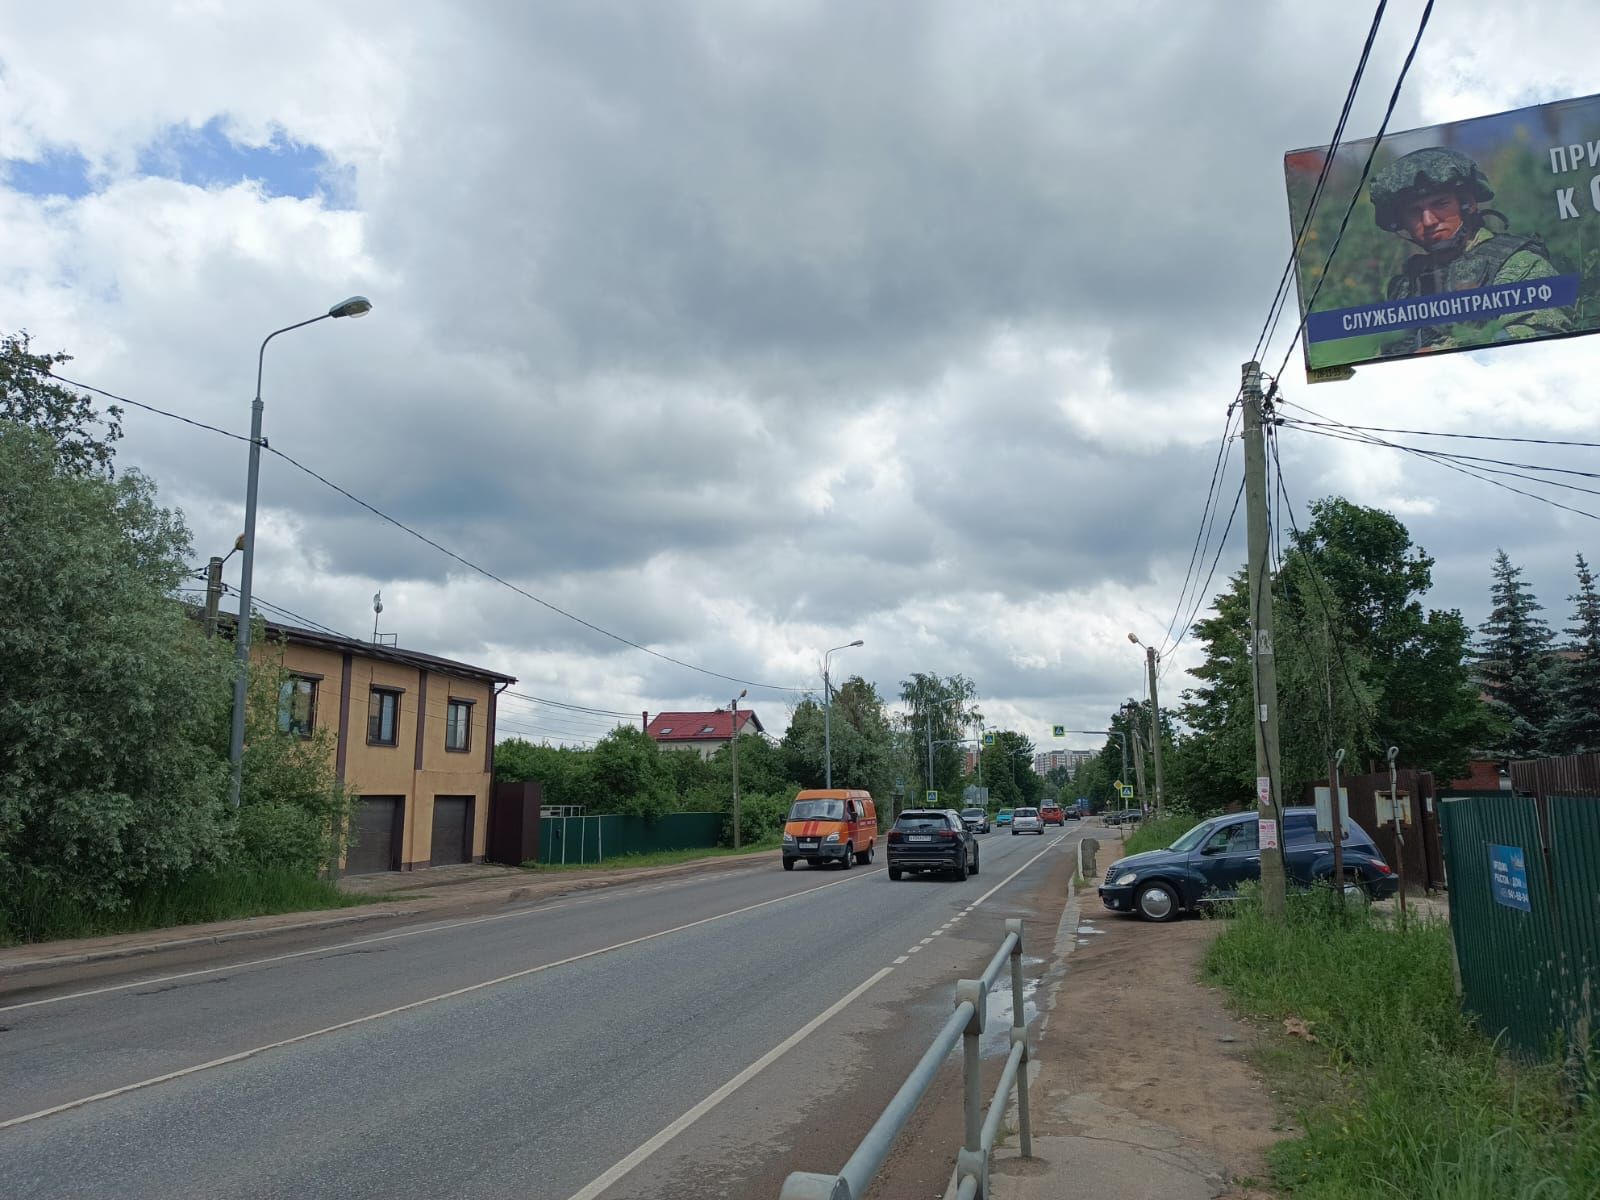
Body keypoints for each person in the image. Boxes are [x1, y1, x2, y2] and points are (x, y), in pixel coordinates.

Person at [1367, 146, 1570, 353]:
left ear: (1468, 204)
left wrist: (1443, 352)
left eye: (1441, 203)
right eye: (1414, 211)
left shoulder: (1517, 265)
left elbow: (1543, 334)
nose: (1428, 221)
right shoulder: (1405, 287)